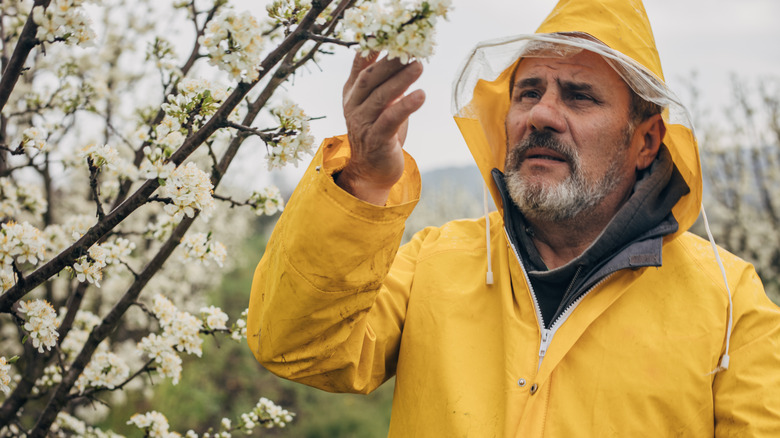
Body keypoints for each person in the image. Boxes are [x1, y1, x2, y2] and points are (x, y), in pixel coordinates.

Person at [248, 0, 780, 435]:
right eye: (529, 92)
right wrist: (363, 179)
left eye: (579, 96)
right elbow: (298, 349)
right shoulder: (434, 263)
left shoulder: (732, 309)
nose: (542, 115)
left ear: (645, 141)